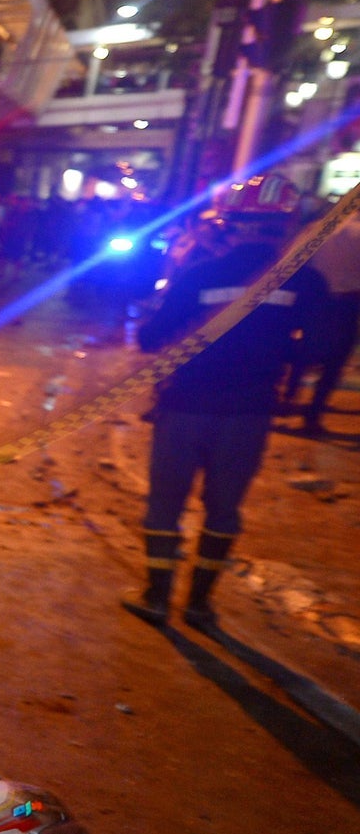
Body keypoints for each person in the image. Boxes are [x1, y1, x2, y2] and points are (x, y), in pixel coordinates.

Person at [127, 190, 326, 631]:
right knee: (224, 509)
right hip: (249, 413)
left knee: (165, 504)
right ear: (285, 228)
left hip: (185, 407)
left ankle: (156, 598)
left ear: (230, 226)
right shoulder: (306, 283)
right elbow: (316, 349)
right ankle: (199, 605)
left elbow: (151, 337)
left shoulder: (199, 275)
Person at [285, 207, 360, 436]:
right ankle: (313, 413)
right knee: (335, 360)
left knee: (305, 350)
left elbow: (293, 261)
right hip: (348, 302)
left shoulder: (319, 227)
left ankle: (289, 397)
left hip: (315, 298)